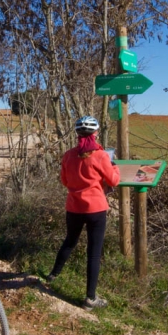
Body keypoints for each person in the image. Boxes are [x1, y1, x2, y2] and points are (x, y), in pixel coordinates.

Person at [46, 116, 121, 310]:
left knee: (70, 241)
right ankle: (90, 299)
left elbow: (65, 181)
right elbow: (113, 181)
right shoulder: (102, 155)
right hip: (96, 209)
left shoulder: (68, 155)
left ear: (77, 134)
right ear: (95, 134)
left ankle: (52, 275)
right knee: (94, 254)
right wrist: (116, 169)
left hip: (74, 207)